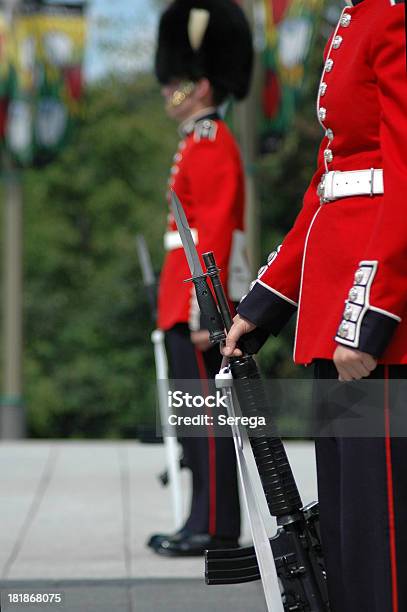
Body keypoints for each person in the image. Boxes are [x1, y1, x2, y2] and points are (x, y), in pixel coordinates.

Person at [222, 1, 407, 610]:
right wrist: (266, 303)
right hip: (335, 308)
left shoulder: (393, 17)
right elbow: (328, 183)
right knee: (348, 527)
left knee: (379, 536)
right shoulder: (360, 15)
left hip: (373, 314)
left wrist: (372, 315)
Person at [147, 0, 253, 557]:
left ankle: (214, 527)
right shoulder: (196, 136)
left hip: (194, 300)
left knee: (207, 423)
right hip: (176, 296)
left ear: (204, 84)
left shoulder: (210, 139)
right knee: (192, 424)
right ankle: (199, 519)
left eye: (180, 82)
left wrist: (199, 307)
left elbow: (209, 231)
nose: (170, 91)